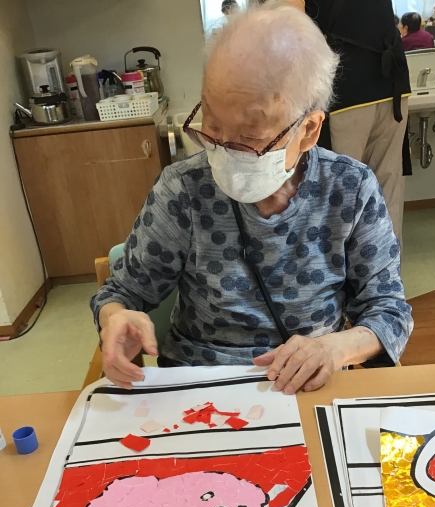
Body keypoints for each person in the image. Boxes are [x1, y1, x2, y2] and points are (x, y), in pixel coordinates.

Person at [90, 2, 413, 394]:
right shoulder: (182, 190)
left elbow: (389, 311)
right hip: (199, 388)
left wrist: (334, 348)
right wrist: (115, 316)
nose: (223, 151)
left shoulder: (350, 189)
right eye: (212, 125)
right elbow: (122, 292)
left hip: (308, 387)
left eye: (249, 136)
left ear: (309, 131)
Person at [302, 0, 411, 245]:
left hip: (346, 87)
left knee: (340, 201)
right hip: (390, 82)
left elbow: (291, 28)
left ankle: (347, 270)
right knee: (387, 197)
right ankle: (387, 270)